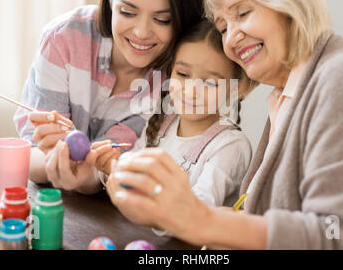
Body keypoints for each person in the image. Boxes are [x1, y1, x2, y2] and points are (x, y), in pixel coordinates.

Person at [104, 0, 343, 250]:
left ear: (289, 1)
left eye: (243, 13)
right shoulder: (284, 99)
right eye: (223, 27)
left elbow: (336, 236)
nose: (231, 38)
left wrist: (200, 219)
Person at [13, 0, 205, 194]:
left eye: (162, 19)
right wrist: (64, 163)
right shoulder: (65, 37)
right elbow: (29, 152)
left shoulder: (177, 82)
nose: (142, 32)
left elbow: (112, 168)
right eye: (127, 12)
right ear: (111, 0)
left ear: (181, 21)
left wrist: (88, 176)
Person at [98, 19, 257, 207]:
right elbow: (132, 172)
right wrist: (112, 167)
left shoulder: (230, 147)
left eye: (210, 83)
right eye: (182, 74)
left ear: (233, 89)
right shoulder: (161, 122)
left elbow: (198, 211)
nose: (191, 91)